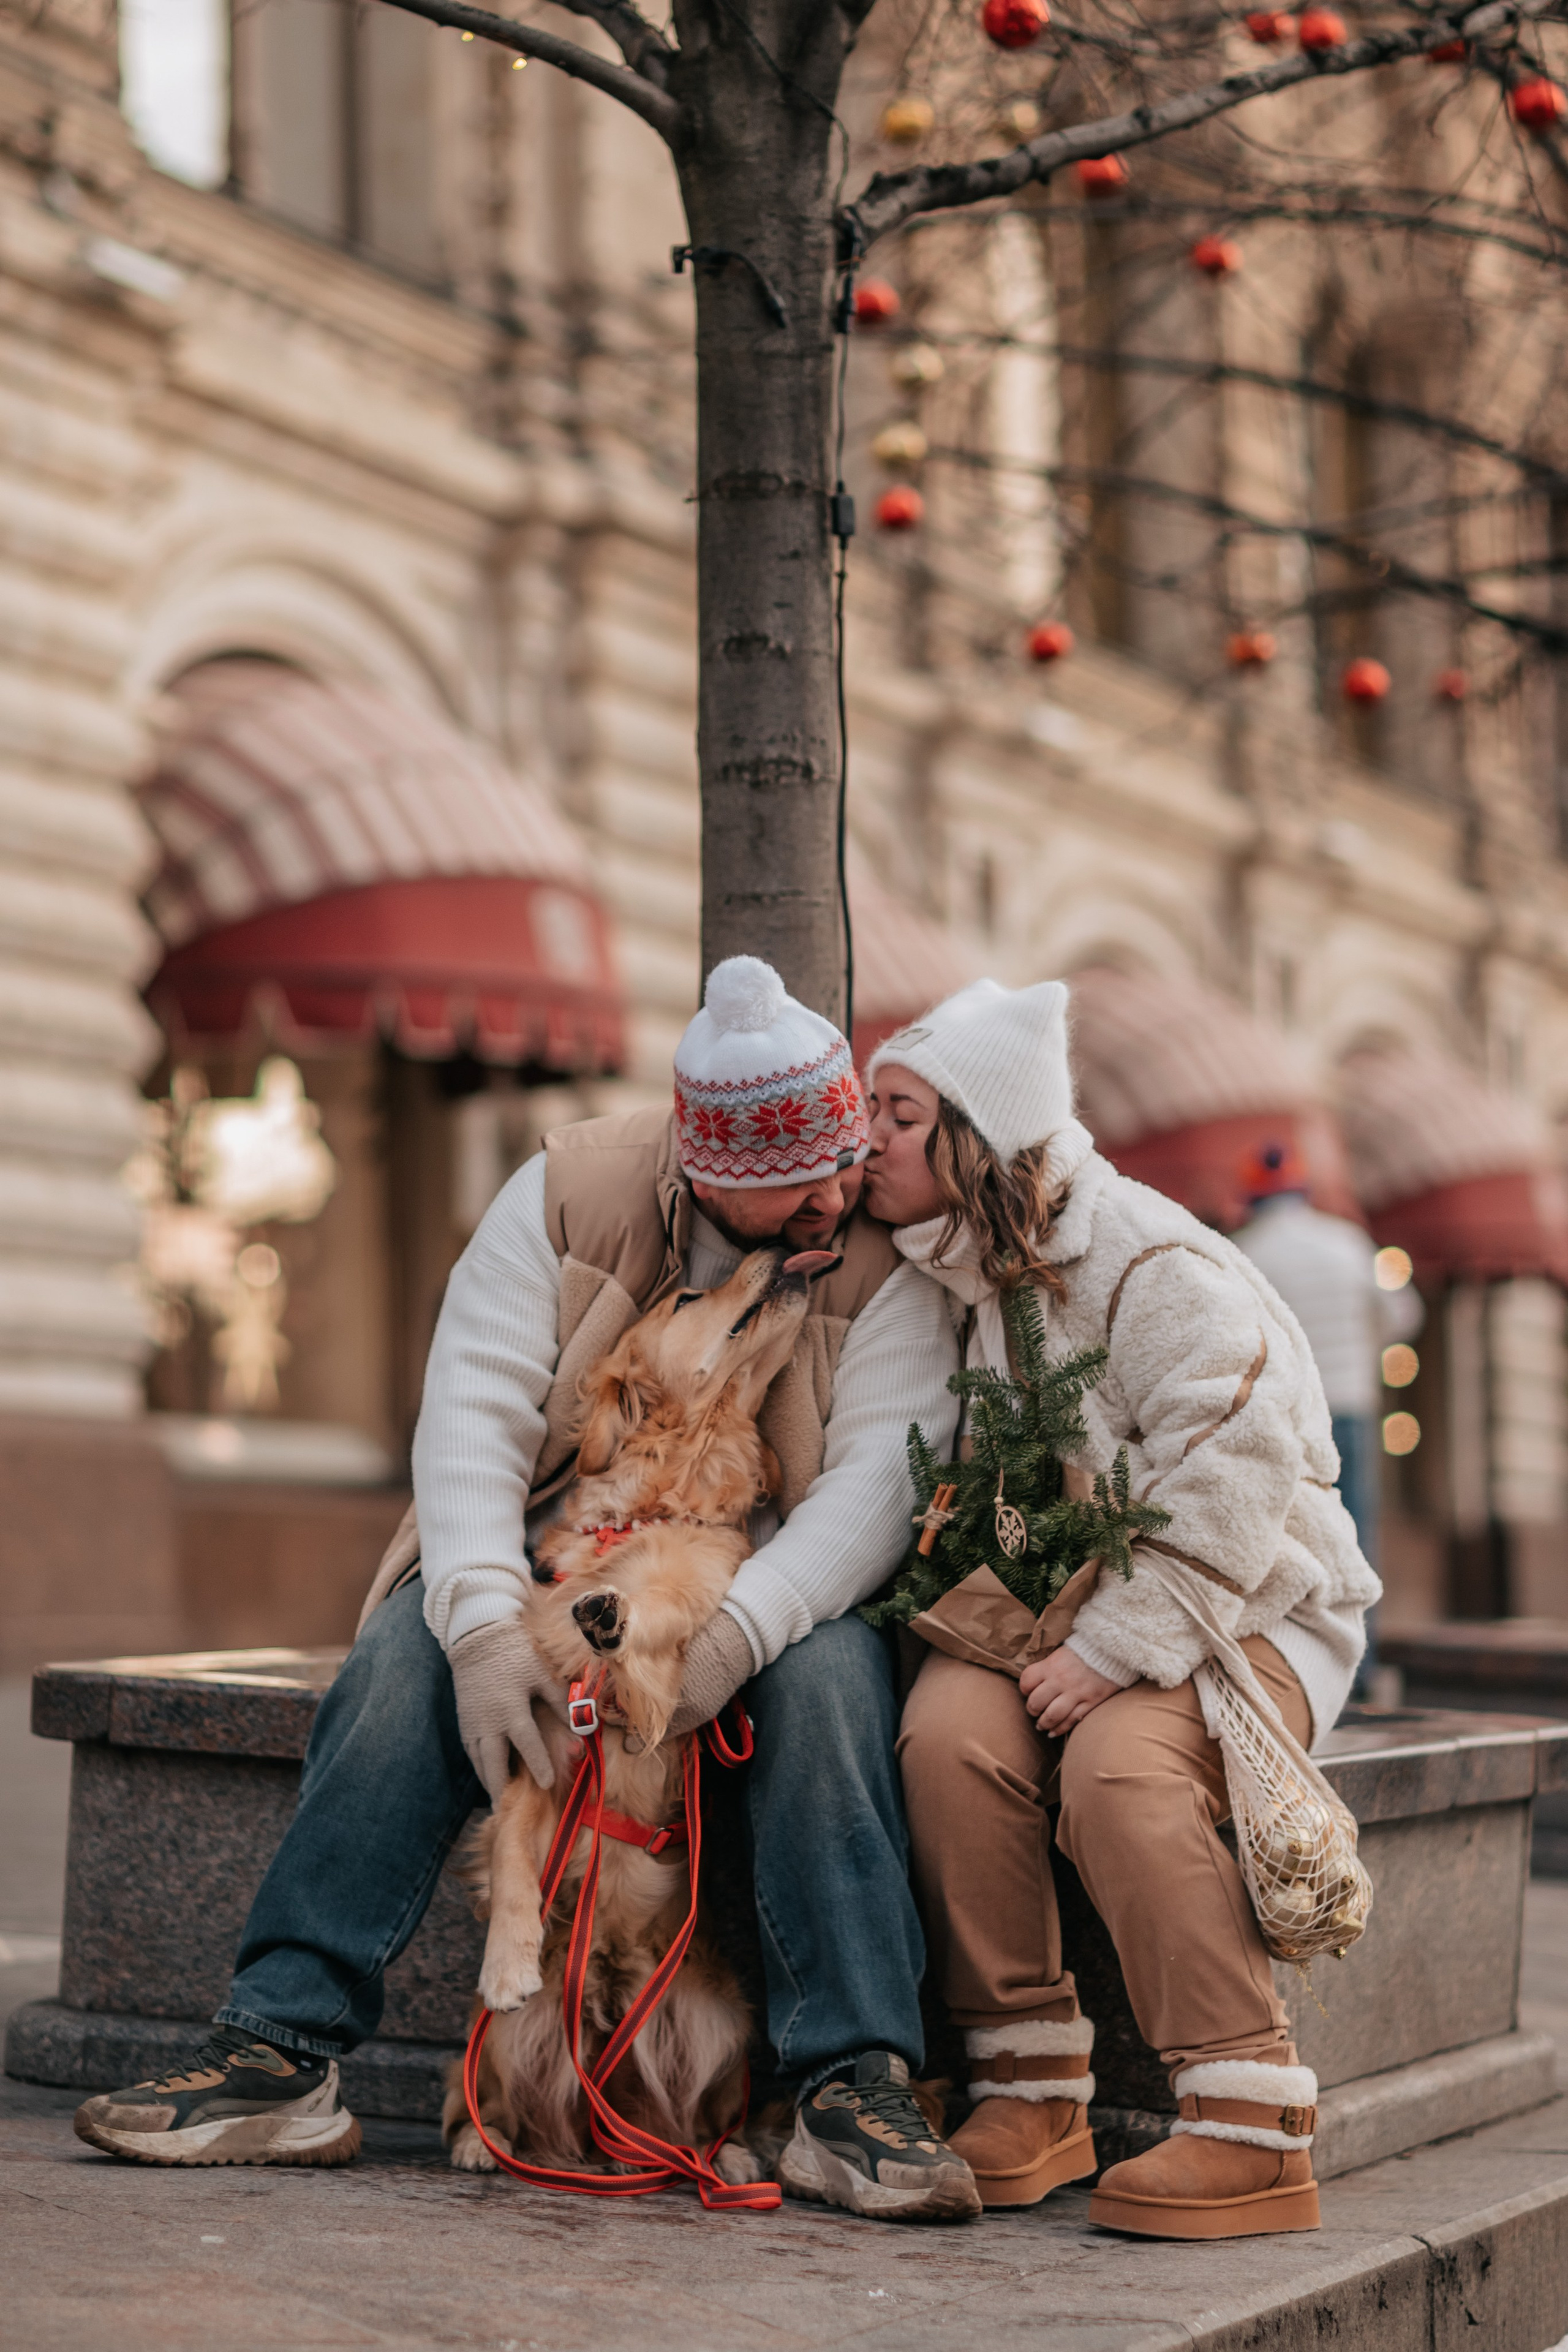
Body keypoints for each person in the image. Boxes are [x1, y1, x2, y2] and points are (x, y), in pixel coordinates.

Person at [75, 957, 983, 2224]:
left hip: (776, 1583)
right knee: (402, 1666)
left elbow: (873, 1490)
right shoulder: (565, 1191)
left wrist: (731, 1636)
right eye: (809, 1170)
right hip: (557, 1549)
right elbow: (469, 1421)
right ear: (711, 1160)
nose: (844, 1186)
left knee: (831, 1687)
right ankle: (281, 2049)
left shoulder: (879, 1252)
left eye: (849, 1153)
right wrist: (481, 1623)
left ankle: (850, 2083)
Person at [863, 978, 1379, 2240]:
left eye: (894, 1113)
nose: (860, 1135)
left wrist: (1111, 1651)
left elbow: (1242, 1458)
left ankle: (1247, 2116)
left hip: (1252, 1607)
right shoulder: (970, 1274)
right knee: (946, 1735)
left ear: (973, 1137)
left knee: (1117, 1768)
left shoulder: (1146, 1254)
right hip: (1065, 1611)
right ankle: (1031, 2086)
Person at [1232, 1141, 1420, 1694]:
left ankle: (1298, 1668)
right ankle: (1361, 1664)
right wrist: (1362, 1349)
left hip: (1285, 1413)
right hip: (1352, 1404)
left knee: (1282, 1540)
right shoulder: (1346, 1242)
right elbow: (1405, 1314)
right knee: (1356, 1536)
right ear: (1303, 1191)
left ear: (1252, 1197)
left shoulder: (1246, 1252)